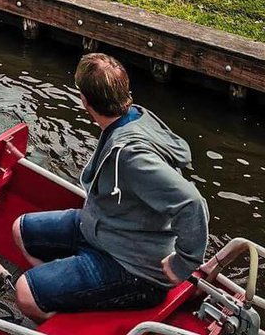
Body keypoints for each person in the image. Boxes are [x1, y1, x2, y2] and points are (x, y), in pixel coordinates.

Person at [13, 53, 209, 320]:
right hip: (104, 230)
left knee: (25, 293)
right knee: (21, 230)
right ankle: (74, 293)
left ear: (84, 100)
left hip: (135, 267)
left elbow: (191, 203)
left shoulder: (131, 156)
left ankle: (72, 313)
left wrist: (182, 264)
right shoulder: (135, 116)